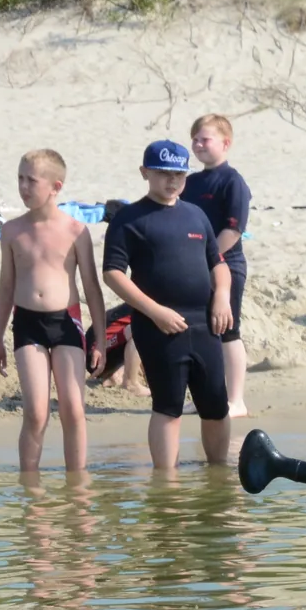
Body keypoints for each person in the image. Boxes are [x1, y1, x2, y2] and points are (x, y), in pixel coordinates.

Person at [106, 139, 234, 469]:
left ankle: (218, 476)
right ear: (145, 173)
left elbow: (217, 262)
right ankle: (167, 485)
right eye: (163, 173)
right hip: (158, 325)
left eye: (179, 174)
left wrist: (221, 296)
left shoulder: (196, 215)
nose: (172, 181)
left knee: (216, 404)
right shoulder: (129, 219)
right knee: (168, 406)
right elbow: (113, 274)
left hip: (205, 323)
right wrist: (155, 311)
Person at [0, 148, 105, 476]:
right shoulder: (11, 230)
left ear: (55, 187)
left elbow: (92, 288)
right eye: (20, 179)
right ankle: (30, 485)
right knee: (36, 412)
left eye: (32, 181)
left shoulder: (75, 231)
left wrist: (97, 337)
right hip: (27, 323)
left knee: (73, 409)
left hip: (67, 320)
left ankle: (77, 484)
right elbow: (6, 286)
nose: (24, 187)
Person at [183, 114, 254, 418]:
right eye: (195, 139)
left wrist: (207, 257)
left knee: (228, 330)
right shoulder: (190, 183)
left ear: (225, 143)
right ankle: (208, 395)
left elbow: (234, 229)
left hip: (227, 263)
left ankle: (236, 400)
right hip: (196, 265)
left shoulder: (232, 180)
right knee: (201, 332)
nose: (198, 144)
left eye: (205, 139)